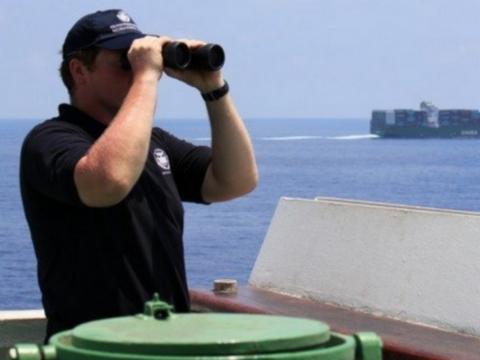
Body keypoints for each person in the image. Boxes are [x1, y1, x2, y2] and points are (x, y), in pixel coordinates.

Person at [19, 9, 258, 341]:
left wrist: (213, 89)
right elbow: (109, 181)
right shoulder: (50, 141)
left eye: (140, 57)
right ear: (79, 70)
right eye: (124, 60)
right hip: (94, 348)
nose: (138, 69)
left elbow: (236, 180)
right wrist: (145, 77)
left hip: (166, 343)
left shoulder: (155, 143)